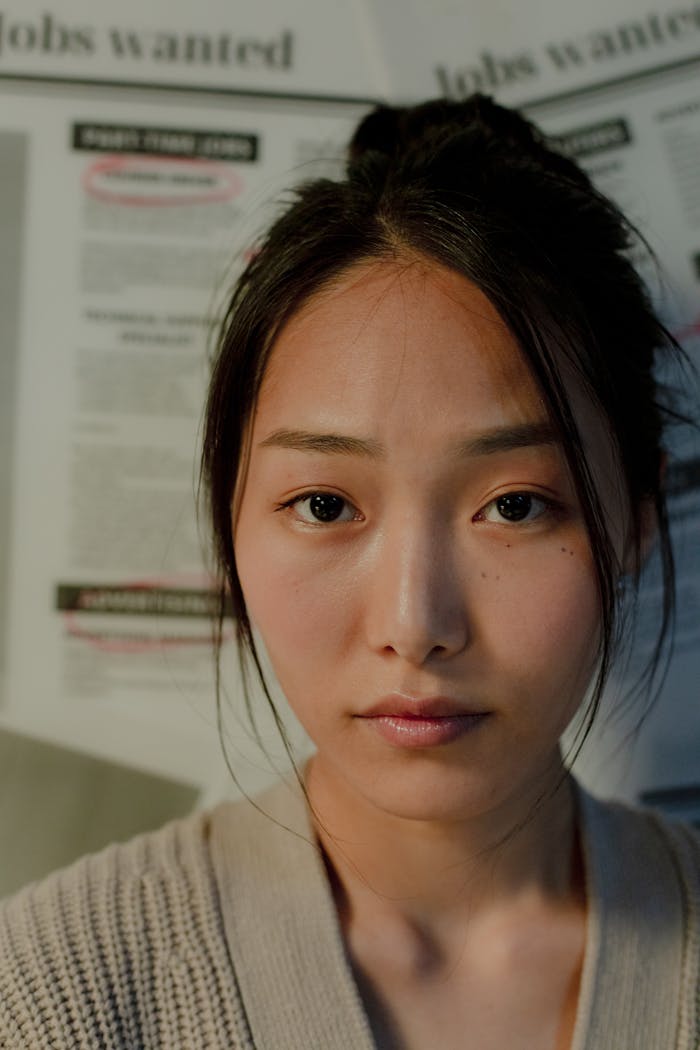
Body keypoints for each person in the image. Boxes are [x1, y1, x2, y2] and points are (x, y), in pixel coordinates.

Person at [0, 95, 698, 1050]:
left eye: (516, 505)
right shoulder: (52, 992)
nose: (415, 625)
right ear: (231, 519)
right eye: (325, 506)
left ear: (637, 522)